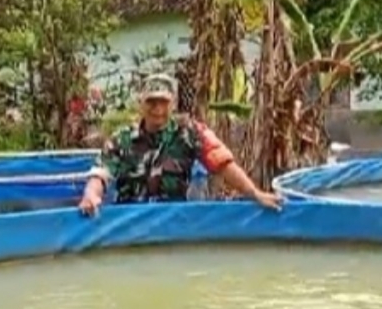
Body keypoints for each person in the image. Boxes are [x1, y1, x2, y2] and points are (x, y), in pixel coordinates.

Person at [78, 73, 283, 214]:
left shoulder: (190, 133)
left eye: (163, 102)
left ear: (173, 103)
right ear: (140, 103)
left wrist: (255, 194)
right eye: (151, 102)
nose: (157, 109)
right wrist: (91, 195)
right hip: (129, 225)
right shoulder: (121, 139)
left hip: (174, 225)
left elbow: (222, 163)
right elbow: (100, 174)